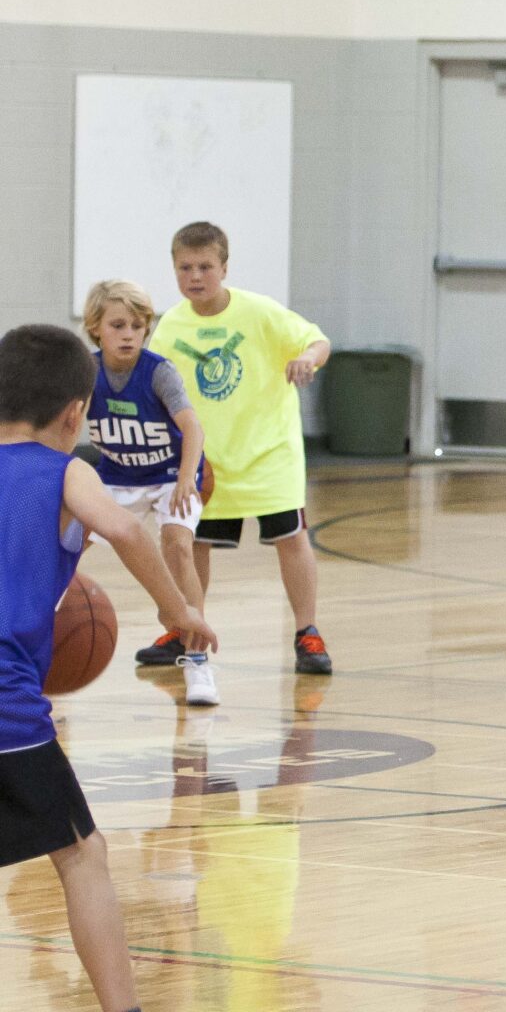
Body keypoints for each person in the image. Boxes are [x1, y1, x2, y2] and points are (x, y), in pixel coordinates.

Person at [0, 323, 216, 1012]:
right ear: (74, 413)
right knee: (82, 855)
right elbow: (126, 528)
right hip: (6, 703)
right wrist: (180, 610)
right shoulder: (66, 470)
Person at [148, 222, 334, 674]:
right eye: (185, 267)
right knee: (193, 547)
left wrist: (307, 359)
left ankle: (307, 633)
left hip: (269, 455)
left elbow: (317, 340)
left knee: (291, 539)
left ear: (224, 268)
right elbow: (151, 381)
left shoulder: (258, 312)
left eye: (205, 267)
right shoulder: (172, 324)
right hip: (207, 461)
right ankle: (186, 628)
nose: (195, 276)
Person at [79, 281, 216, 707]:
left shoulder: (159, 372)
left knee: (177, 546)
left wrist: (185, 480)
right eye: (118, 325)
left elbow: (192, 427)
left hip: (169, 476)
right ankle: (36, 644)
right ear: (96, 327)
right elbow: (65, 426)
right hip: (116, 477)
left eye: (138, 326)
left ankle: (196, 660)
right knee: (66, 544)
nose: (129, 334)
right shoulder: (87, 371)